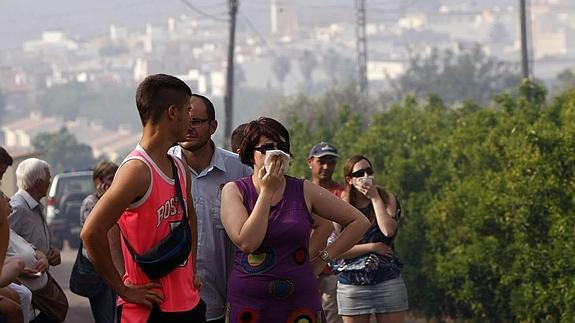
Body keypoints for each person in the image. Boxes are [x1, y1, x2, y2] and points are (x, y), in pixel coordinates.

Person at [220, 117, 370, 322]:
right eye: (267, 148)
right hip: (250, 303)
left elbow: (358, 222)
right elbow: (248, 242)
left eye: (282, 147)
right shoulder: (235, 191)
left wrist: (322, 259)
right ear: (250, 153)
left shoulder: (303, 190)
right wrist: (266, 191)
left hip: (299, 301)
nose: (276, 153)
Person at [81, 74, 205, 323]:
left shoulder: (178, 166)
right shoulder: (136, 171)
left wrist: (191, 267)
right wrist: (123, 289)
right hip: (147, 310)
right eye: (187, 110)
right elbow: (91, 232)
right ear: (172, 112)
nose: (190, 119)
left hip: (187, 304)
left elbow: (190, 217)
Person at [168, 94, 251, 323]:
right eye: (184, 121)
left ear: (213, 126)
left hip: (226, 303)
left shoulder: (240, 170)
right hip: (171, 303)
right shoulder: (161, 169)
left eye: (196, 122)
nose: (188, 128)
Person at [334, 155, 408, 323]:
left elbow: (388, 231)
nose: (366, 177)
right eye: (360, 173)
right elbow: (337, 250)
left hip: (386, 279)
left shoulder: (387, 198)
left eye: (369, 171)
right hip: (352, 283)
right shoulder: (340, 205)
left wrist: (375, 198)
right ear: (350, 180)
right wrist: (373, 247)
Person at [9, 158, 68, 323]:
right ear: (38, 182)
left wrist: (49, 253)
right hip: (25, 282)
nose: (49, 182)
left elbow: (29, 240)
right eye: (48, 179)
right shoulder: (17, 207)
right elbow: (6, 243)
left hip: (39, 276)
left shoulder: (34, 205)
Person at [78, 160, 119, 323]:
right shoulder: (91, 203)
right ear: (98, 182)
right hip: (98, 268)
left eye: (115, 178)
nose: (113, 182)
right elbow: (94, 235)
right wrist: (104, 199)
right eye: (109, 178)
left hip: (115, 265)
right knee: (105, 316)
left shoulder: (117, 199)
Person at [308, 142, 344, 323]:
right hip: (304, 265)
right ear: (310, 162)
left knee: (332, 316)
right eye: (322, 161)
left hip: (334, 268)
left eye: (331, 162)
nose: (326, 167)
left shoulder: (344, 193)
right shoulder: (301, 190)